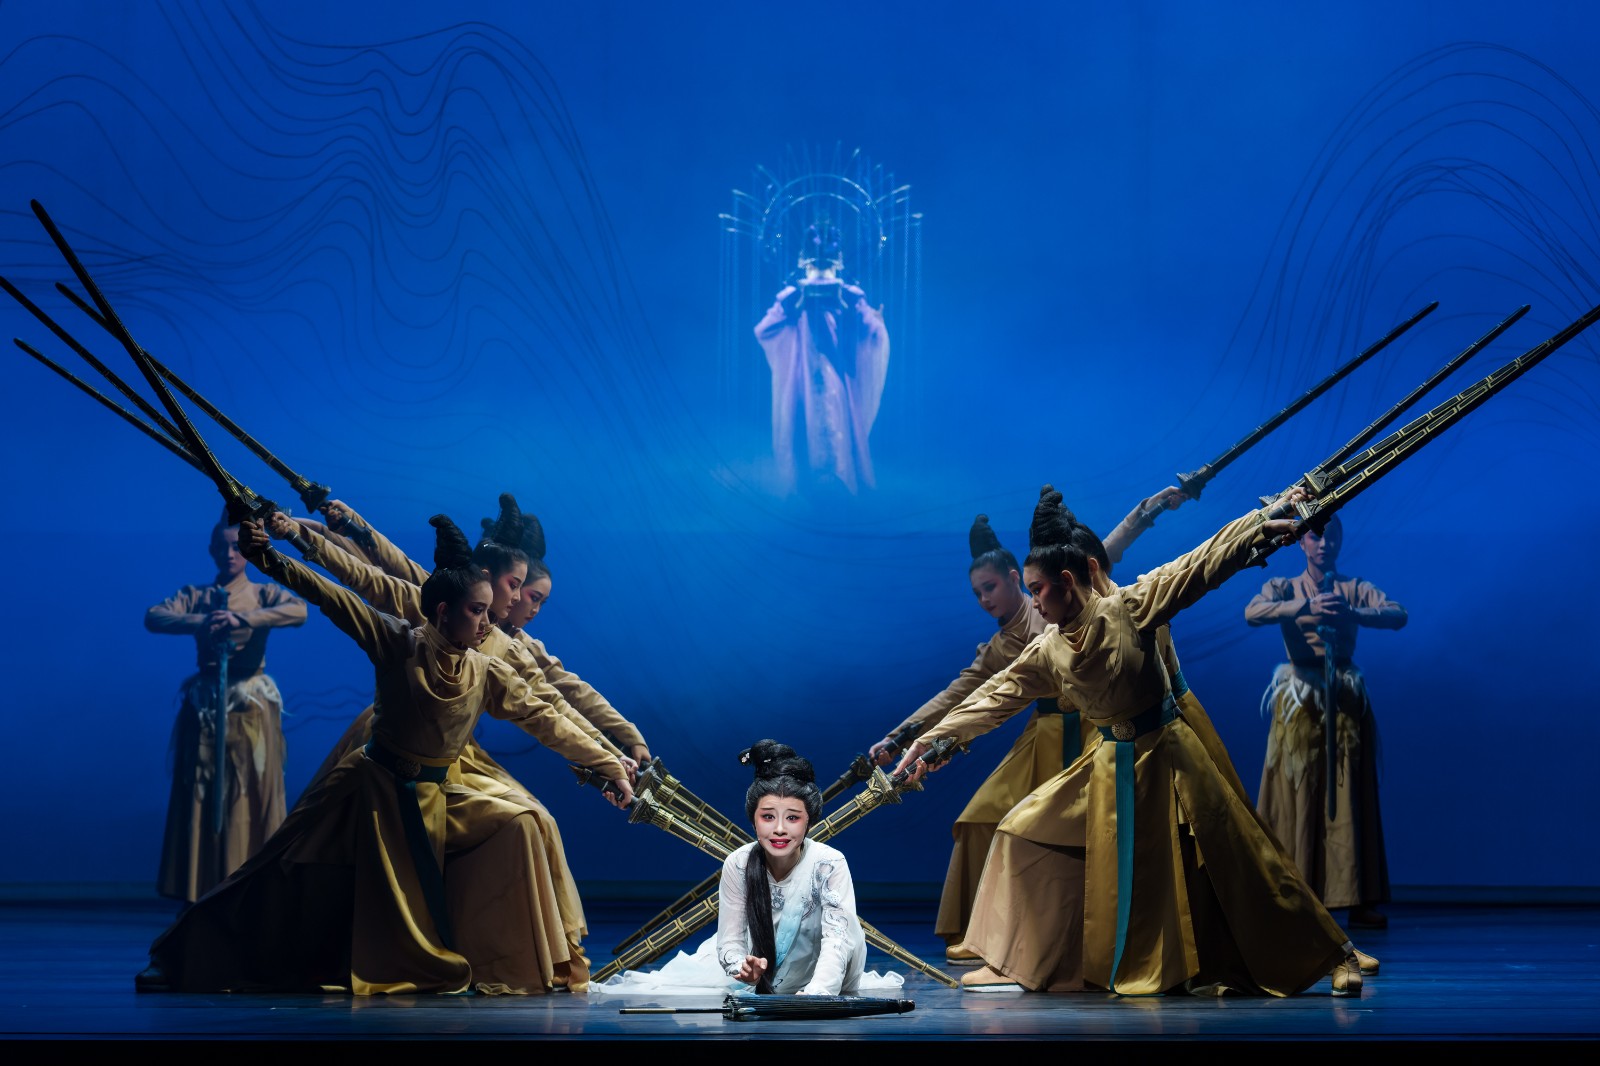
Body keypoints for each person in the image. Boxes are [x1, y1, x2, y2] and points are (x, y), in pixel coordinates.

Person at [895, 487, 1365, 997]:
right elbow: (995, 695)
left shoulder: (1130, 607)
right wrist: (932, 740)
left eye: (1038, 590)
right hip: (1106, 762)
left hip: (1168, 753)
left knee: (1241, 860)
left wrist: (1259, 522)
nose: (1033, 602)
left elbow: (1199, 563)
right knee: (1019, 831)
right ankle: (1026, 958)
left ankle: (1334, 953)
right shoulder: (1049, 648)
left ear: (1068, 580)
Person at [138, 515, 631, 995]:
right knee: (280, 865)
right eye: (479, 610)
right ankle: (186, 955)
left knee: (523, 821)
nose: (490, 620)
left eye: (491, 610)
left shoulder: (489, 667)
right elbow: (336, 591)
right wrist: (273, 553)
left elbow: (549, 715)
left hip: (436, 792)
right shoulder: (399, 642)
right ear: (445, 610)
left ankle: (502, 957)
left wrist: (611, 761)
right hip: (372, 785)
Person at [590, 741, 901, 997]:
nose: (779, 829)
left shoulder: (829, 862)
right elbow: (729, 941)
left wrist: (818, 993)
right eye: (768, 817)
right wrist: (742, 967)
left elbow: (838, 938)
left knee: (845, 934)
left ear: (810, 821)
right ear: (753, 820)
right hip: (766, 975)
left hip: (827, 975)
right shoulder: (738, 863)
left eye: (793, 818)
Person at [1245, 514, 1405, 930]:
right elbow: (1253, 612)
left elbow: (1396, 613)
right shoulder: (1285, 586)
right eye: (1315, 537)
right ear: (1302, 543)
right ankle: (1292, 895)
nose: (1323, 544)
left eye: (1330, 537)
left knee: (1348, 794)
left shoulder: (1352, 587)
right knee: (1294, 794)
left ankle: (1357, 895)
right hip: (1300, 700)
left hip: (1343, 700)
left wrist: (1351, 613)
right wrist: (1306, 607)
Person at [144, 516, 306, 902]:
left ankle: (250, 889)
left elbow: (299, 610)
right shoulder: (197, 595)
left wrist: (243, 618)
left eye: (237, 547)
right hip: (207, 707)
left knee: (251, 791)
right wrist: (202, 622)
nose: (229, 554)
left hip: (250, 704)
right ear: (212, 551)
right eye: (222, 547)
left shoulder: (264, 593)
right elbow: (155, 616)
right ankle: (200, 888)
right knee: (202, 793)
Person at [754, 222, 889, 495]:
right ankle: (826, 484)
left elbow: (764, 330)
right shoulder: (805, 296)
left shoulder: (839, 295)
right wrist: (876, 322)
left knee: (820, 422)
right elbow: (873, 334)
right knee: (825, 421)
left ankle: (823, 485)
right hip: (818, 371)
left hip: (821, 373)